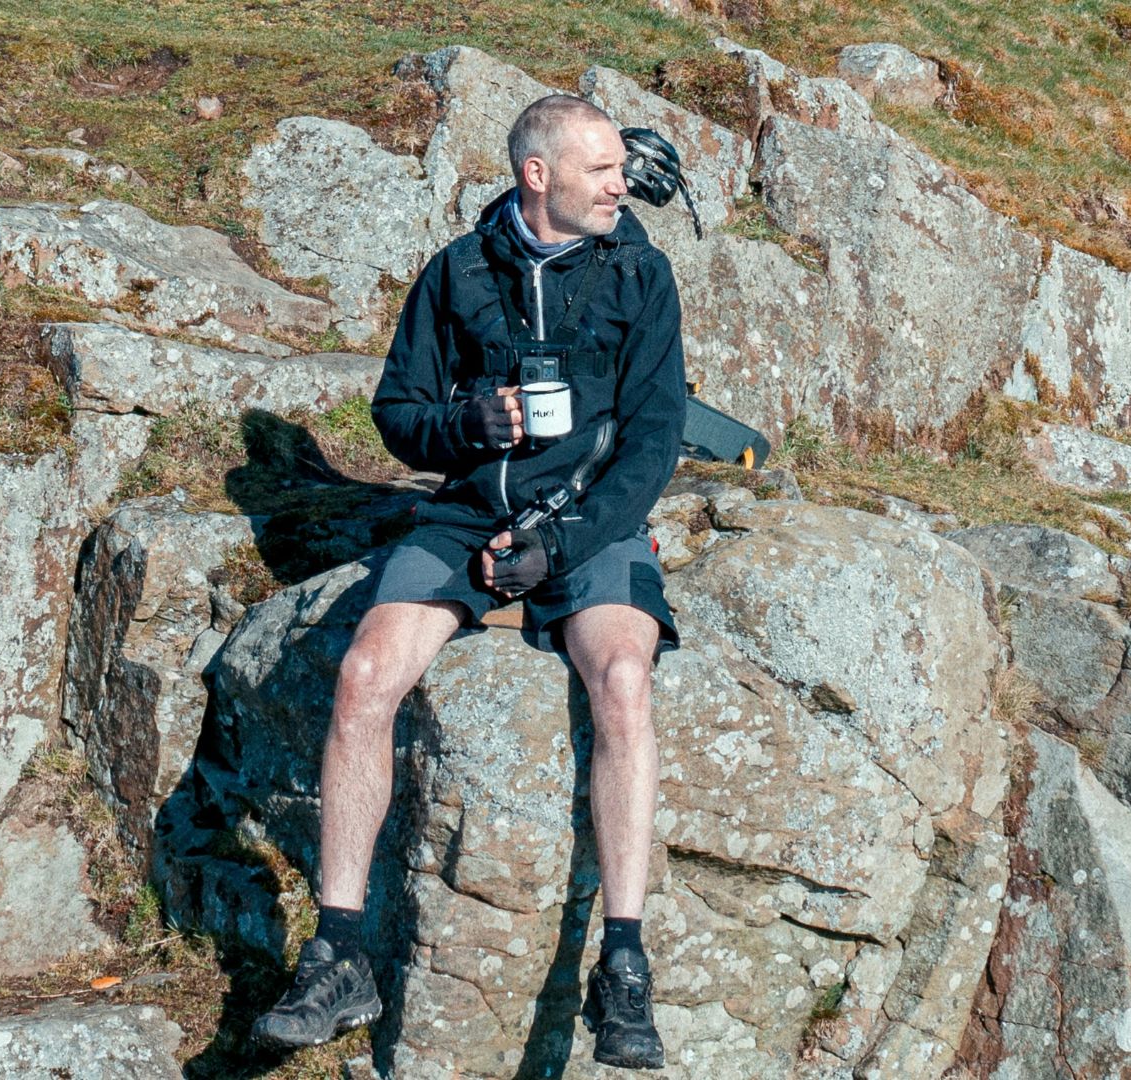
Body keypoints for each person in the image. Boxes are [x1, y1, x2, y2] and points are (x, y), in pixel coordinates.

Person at [246, 94, 688, 1070]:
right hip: (464, 517)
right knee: (364, 676)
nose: (625, 182)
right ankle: (340, 954)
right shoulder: (456, 273)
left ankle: (623, 962)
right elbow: (400, 418)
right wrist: (468, 430)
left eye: (622, 166)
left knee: (621, 680)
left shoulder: (641, 275)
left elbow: (654, 445)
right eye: (603, 168)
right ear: (540, 176)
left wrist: (561, 546)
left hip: (592, 521)